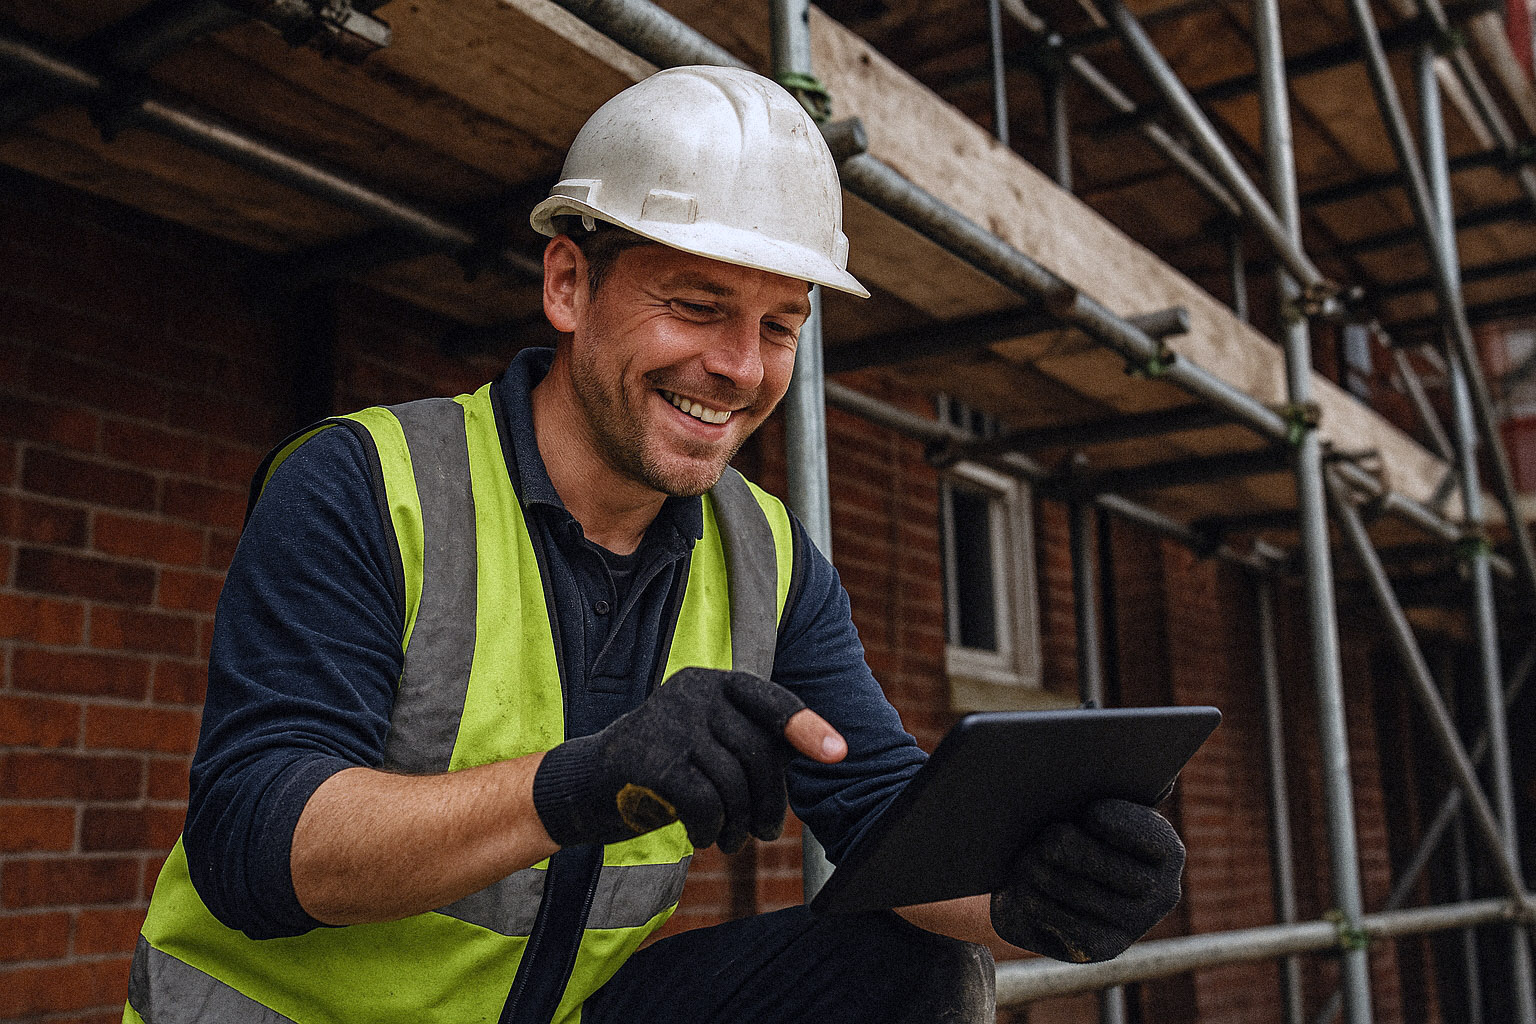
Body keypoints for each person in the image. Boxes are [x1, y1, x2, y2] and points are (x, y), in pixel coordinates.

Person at [125, 66, 1185, 1024]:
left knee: (919, 966)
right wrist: (578, 783)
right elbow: (252, 842)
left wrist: (1033, 894)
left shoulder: (766, 558)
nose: (739, 365)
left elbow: (887, 829)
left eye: (780, 325)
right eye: (697, 306)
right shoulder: (367, 483)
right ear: (568, 286)